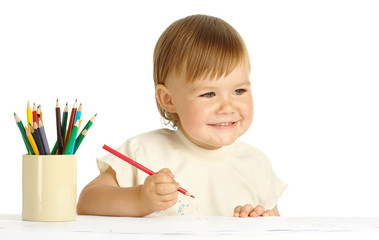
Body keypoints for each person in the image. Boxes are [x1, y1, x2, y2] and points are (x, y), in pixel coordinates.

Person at [77, 14, 286, 218]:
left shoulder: (257, 164)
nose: (227, 107)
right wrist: (139, 199)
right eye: (209, 94)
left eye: (239, 91)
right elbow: (87, 201)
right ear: (168, 99)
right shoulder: (142, 151)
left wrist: (258, 221)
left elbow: (277, 225)